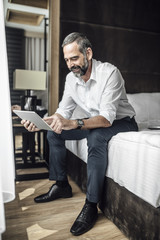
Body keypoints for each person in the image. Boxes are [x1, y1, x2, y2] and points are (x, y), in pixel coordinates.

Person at [21, 32, 138, 236]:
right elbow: (63, 112)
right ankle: (61, 185)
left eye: (74, 58)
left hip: (121, 122)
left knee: (95, 137)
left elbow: (106, 119)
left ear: (88, 53)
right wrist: (44, 123)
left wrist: (73, 123)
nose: (70, 64)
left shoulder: (110, 73)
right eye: (67, 60)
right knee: (54, 134)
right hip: (92, 122)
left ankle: (91, 205)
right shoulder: (71, 78)